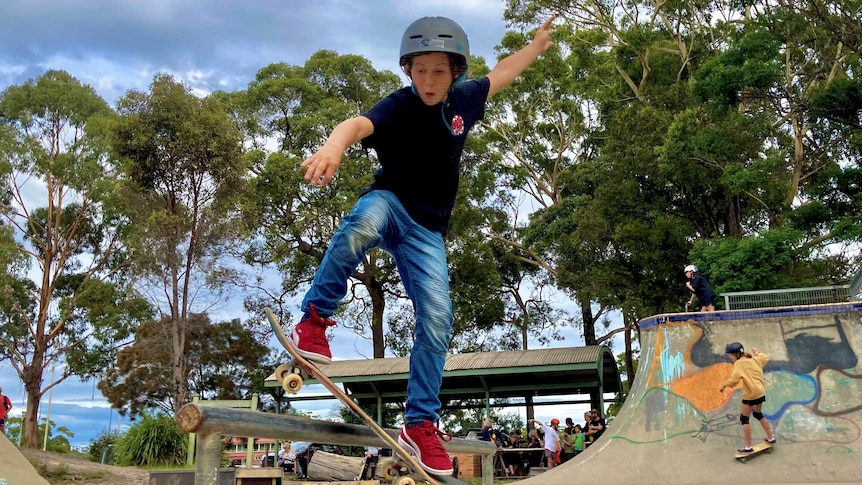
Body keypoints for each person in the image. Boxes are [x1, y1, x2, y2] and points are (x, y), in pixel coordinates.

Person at [286, 14, 556, 476]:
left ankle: (420, 422)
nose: (428, 81)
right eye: (420, 71)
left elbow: (504, 73)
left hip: (428, 231)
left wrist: (534, 48)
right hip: (389, 202)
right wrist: (333, 146)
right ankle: (313, 322)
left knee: (437, 318)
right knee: (359, 228)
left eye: (439, 71)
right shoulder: (398, 105)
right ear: (407, 70)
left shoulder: (465, 100)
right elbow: (355, 124)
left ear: (455, 73)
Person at [719, 342, 776, 453]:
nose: (730, 358)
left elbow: (734, 380)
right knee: (758, 414)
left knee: (744, 419)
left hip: (751, 394)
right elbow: (764, 357)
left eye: (731, 355)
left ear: (736, 354)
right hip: (760, 392)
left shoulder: (739, 364)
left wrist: (724, 385)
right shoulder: (755, 359)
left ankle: (748, 447)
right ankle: (771, 438)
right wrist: (756, 351)